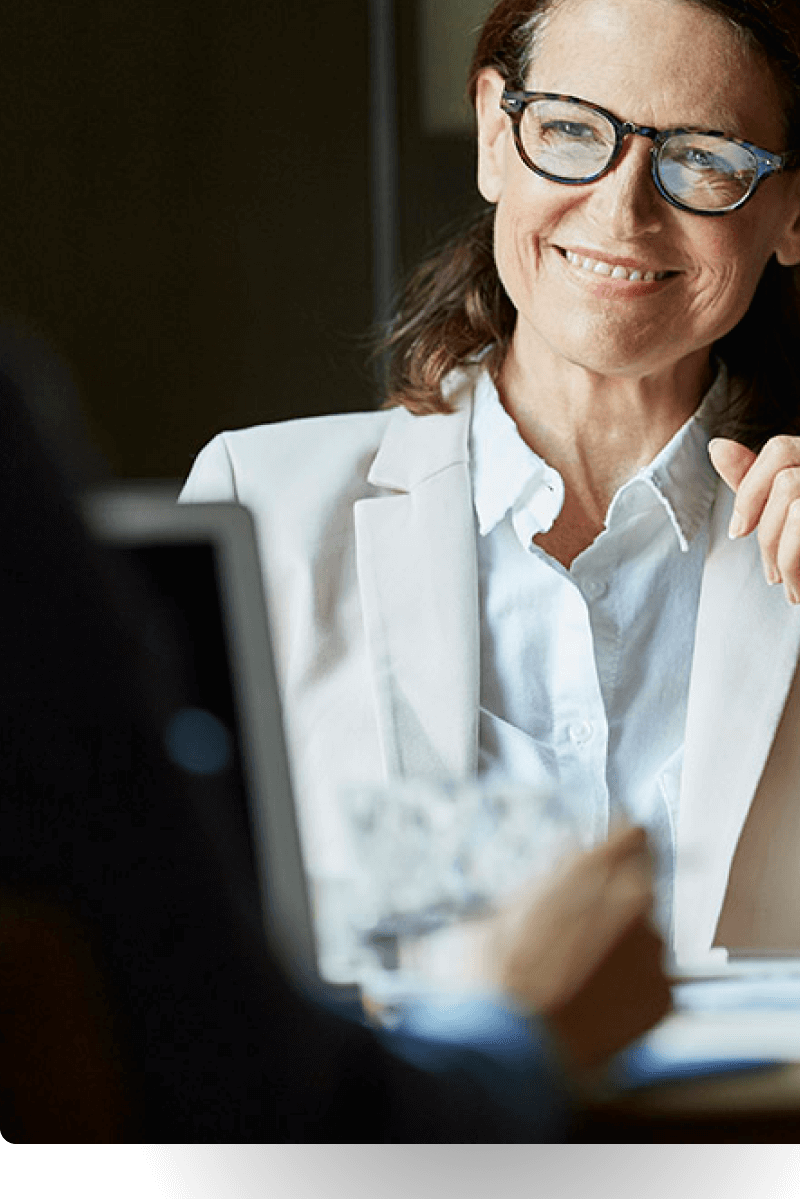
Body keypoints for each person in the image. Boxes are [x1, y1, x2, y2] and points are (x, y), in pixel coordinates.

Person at [180, 0, 800, 965]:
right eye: (570, 131)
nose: (620, 208)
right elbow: (162, 936)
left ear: (796, 206)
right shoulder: (260, 505)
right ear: (493, 138)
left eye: (701, 157)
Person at [0, 335, 671, 1142]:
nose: (626, 214)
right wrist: (514, 1037)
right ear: (493, 194)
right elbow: (211, 1050)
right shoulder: (266, 491)